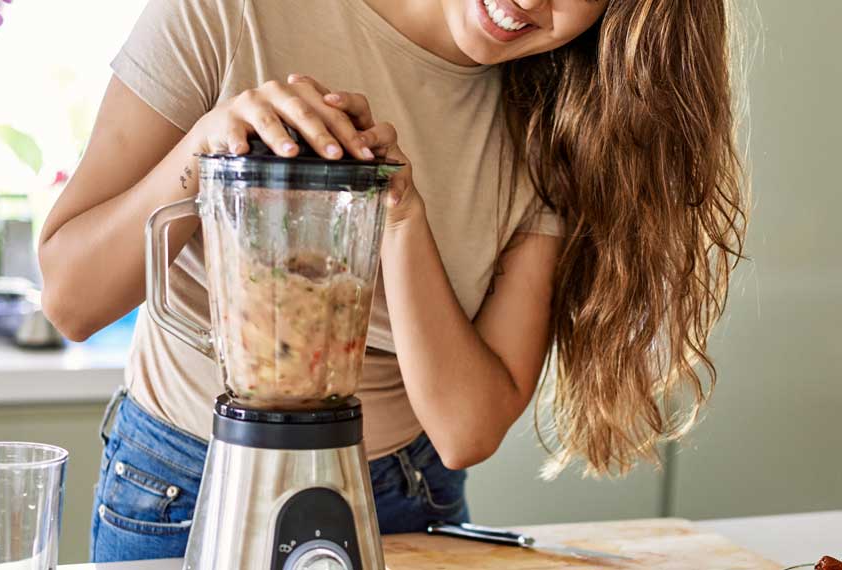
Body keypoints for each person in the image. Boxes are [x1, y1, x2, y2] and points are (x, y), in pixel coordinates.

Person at [39, 0, 747, 562]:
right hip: (182, 492)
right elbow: (71, 301)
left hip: (406, 499)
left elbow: (464, 430)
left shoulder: (559, 119)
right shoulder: (228, 13)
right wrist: (204, 152)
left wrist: (398, 214)